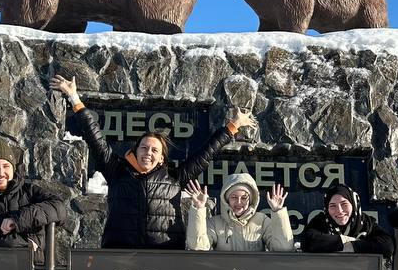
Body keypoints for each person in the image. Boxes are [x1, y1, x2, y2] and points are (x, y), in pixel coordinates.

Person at [51, 74, 255, 249]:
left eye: (154, 150)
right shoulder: (116, 171)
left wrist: (233, 126)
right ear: (135, 150)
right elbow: (95, 136)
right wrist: (74, 98)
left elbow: (207, 152)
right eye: (144, 147)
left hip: (165, 256)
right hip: (118, 254)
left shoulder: (175, 177)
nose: (148, 152)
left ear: (161, 158)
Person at [0, 138, 69, 260]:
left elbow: (59, 209)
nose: (1, 172)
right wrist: (22, 244)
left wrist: (17, 220)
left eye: (6, 166)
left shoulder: (30, 191)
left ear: (13, 169)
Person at [183, 172, 294, 252]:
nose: (239, 202)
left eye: (244, 197)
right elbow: (198, 247)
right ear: (226, 199)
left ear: (251, 200)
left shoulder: (262, 221)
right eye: (234, 197)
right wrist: (199, 209)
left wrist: (278, 211)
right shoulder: (215, 223)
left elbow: (283, 248)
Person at [301, 182, 395, 256]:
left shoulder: (365, 223)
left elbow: (387, 246)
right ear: (327, 208)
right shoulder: (321, 221)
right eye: (332, 206)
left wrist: (352, 246)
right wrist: (345, 240)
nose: (339, 210)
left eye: (344, 204)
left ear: (353, 205)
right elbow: (308, 241)